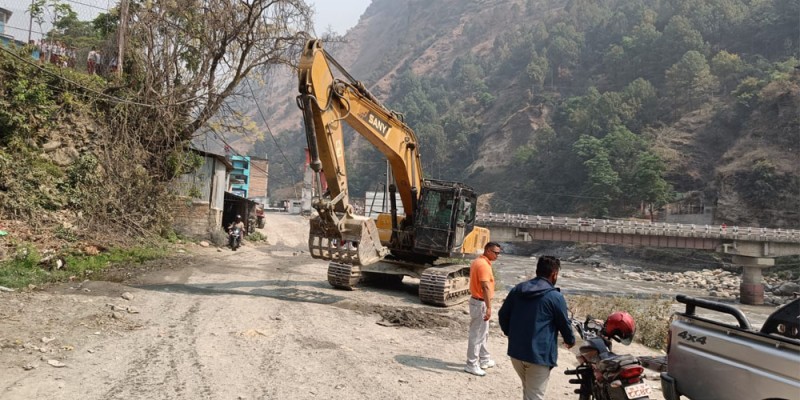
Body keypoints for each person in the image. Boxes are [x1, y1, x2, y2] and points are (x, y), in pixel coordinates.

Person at [498, 255, 576, 400]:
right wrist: (570, 340)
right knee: (535, 396)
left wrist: (510, 333)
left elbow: (503, 314)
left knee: (528, 391)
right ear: (554, 274)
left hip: (516, 353)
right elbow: (564, 324)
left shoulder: (517, 290)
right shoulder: (555, 297)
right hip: (538, 356)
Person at [464, 241, 502, 376]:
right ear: (487, 251)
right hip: (481, 303)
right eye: (496, 253)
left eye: (499, 253)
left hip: (480, 302)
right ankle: (471, 364)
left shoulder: (480, 262)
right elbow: (485, 287)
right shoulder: (483, 265)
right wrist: (489, 307)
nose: (498, 255)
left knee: (483, 333)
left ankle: (484, 359)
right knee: (477, 335)